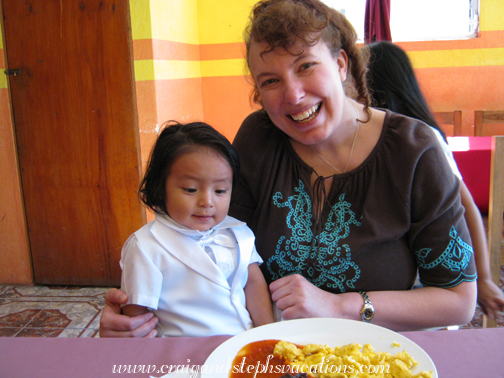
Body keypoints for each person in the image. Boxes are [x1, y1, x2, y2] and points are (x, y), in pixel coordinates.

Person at [100, 0, 477, 337]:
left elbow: (458, 299)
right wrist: (138, 318)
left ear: (341, 64)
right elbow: (211, 244)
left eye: (306, 66)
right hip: (269, 351)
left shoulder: (414, 151)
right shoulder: (258, 139)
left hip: (371, 350)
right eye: (271, 81)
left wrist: (340, 306)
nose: (293, 95)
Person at [365, 40, 504, 321]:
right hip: (387, 292)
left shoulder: (419, 138)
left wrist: (483, 278)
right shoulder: (359, 136)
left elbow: (466, 209)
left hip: (426, 292)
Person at [116, 121, 274, 337]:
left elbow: (254, 283)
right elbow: (137, 314)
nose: (207, 201)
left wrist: (270, 336)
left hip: (242, 344)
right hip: (182, 356)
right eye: (191, 189)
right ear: (160, 187)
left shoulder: (238, 233)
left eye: (220, 190)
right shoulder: (145, 246)